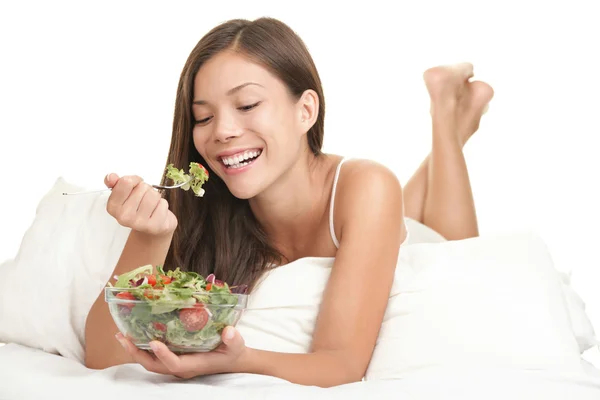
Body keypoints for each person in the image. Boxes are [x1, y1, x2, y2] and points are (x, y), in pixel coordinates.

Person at [84, 17, 494, 387]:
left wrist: (238, 360)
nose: (223, 130)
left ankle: (447, 117)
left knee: (456, 246)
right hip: (380, 216)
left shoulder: (367, 185)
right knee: (400, 206)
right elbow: (103, 355)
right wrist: (148, 237)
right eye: (203, 117)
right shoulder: (200, 204)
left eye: (246, 105)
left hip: (409, 234)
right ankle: (455, 122)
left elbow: (343, 364)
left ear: (306, 110)